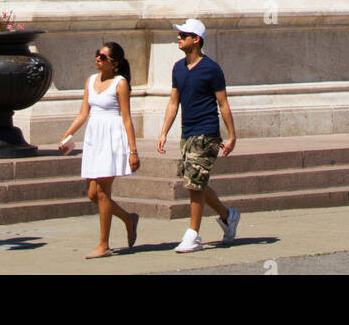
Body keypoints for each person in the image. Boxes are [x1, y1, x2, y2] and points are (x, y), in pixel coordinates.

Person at [158, 19, 239, 252]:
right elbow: (174, 102)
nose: (178, 38)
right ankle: (227, 216)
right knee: (196, 182)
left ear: (197, 39)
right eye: (179, 34)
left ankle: (193, 235)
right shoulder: (178, 68)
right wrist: (163, 132)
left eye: (184, 34)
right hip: (187, 132)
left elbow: (223, 104)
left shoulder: (211, 68)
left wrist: (232, 136)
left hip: (207, 133)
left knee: (194, 184)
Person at [58, 41, 140, 257]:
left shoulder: (120, 83)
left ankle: (103, 245)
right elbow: (83, 113)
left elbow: (127, 118)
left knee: (103, 192)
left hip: (112, 137)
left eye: (103, 57)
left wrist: (133, 150)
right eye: (97, 54)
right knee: (93, 194)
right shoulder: (90, 80)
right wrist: (67, 135)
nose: (97, 59)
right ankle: (128, 219)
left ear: (114, 63)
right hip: (94, 137)